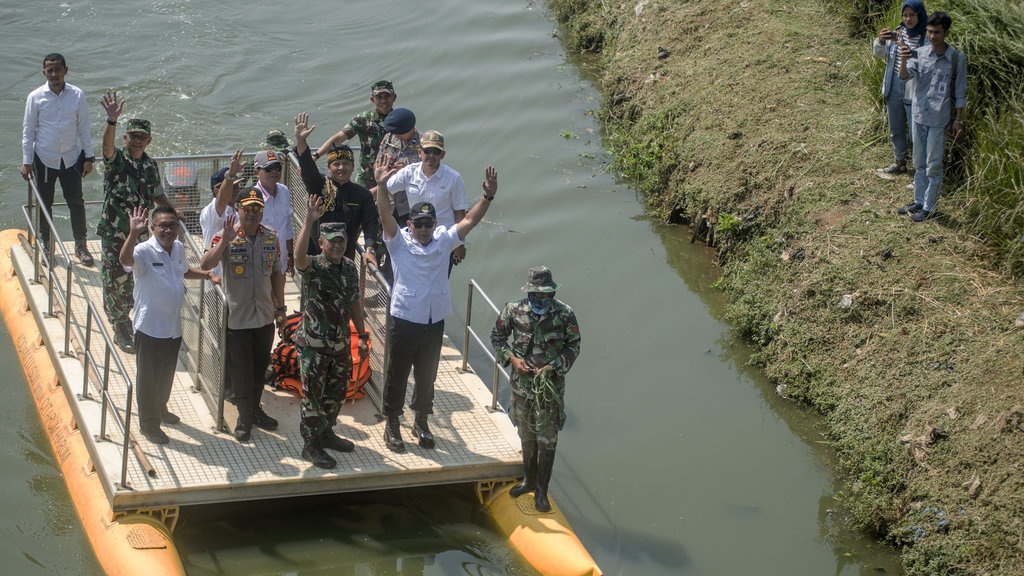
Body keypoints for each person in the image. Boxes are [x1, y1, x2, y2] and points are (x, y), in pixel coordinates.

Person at [373, 157, 498, 452]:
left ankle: (421, 421)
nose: (425, 228)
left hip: (433, 320)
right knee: (397, 373)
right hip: (404, 318)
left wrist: (488, 196)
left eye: (430, 223)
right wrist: (380, 185)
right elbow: (384, 214)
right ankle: (392, 424)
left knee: (427, 374)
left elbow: (469, 221)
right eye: (419, 223)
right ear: (410, 224)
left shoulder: (443, 239)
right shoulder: (397, 241)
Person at [119, 206, 220, 444]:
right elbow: (124, 260)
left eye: (172, 225)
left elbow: (184, 272)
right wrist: (133, 234)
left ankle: (161, 409)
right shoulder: (143, 251)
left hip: (173, 328)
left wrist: (207, 275)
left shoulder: (179, 248)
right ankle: (149, 424)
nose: (167, 230)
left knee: (166, 374)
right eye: (162, 225)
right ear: (152, 228)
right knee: (148, 378)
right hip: (149, 328)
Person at [490, 267, 581, 513]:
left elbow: (574, 345)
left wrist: (554, 366)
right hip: (521, 388)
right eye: (537, 295)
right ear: (529, 291)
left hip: (549, 390)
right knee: (526, 434)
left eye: (547, 295)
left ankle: (541, 491)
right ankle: (528, 480)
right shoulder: (513, 310)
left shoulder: (565, 314)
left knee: (547, 439)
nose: (542, 300)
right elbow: (497, 337)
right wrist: (512, 359)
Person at [200, 190, 286, 442]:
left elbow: (276, 275)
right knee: (241, 372)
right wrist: (225, 241)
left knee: (260, 368)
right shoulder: (225, 234)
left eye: (257, 209)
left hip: (264, 317)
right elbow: (205, 264)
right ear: (237, 209)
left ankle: (254, 410)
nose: (252, 214)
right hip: (237, 317)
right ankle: (244, 417)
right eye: (247, 209)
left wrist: (280, 308)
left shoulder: (271, 238)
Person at [97, 91, 178, 353]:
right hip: (115, 232)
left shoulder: (151, 165)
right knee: (115, 278)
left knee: (135, 279)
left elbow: (156, 193)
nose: (137, 141)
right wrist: (111, 121)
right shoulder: (118, 160)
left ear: (149, 140)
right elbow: (106, 148)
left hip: (141, 233)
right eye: (133, 136)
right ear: (126, 137)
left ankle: (129, 315)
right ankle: (120, 323)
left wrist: (172, 213)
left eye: (142, 137)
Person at [293, 195, 370, 469]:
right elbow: (298, 256)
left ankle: (326, 433)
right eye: (332, 241)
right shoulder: (313, 266)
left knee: (336, 394)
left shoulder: (349, 268)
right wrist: (308, 221)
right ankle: (310, 445)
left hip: (339, 345)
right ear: (322, 243)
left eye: (342, 241)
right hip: (313, 345)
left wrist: (361, 335)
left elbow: (354, 303)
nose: (337, 245)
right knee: (312, 396)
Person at [21, 53, 96, 265]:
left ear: (66, 70)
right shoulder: (35, 97)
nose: (54, 74)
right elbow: (28, 132)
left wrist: (89, 157)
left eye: (57, 69)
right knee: (45, 204)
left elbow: (84, 128)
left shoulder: (77, 95)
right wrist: (27, 162)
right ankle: (47, 245)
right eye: (50, 70)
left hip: (72, 158)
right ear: (44, 72)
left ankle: (81, 246)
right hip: (44, 158)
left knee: (76, 203)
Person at [898, 11, 967, 222]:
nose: (932, 36)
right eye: (929, 31)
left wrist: (958, 120)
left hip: (939, 119)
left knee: (933, 164)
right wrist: (902, 60)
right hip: (918, 115)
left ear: (946, 32)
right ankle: (919, 200)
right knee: (918, 162)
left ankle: (930, 208)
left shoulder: (956, 58)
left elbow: (960, 92)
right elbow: (904, 76)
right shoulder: (920, 53)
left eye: (936, 32)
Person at [294, 112, 379, 264]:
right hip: (315, 259)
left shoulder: (362, 195)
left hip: (345, 261)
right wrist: (301, 141)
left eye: (346, 163)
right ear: (329, 168)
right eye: (336, 164)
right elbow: (307, 166)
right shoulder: (319, 185)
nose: (341, 168)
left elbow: (370, 224)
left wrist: (370, 249)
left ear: (353, 167)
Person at [386, 130, 469, 270]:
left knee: (438, 284)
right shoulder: (408, 172)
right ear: (420, 152)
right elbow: (386, 189)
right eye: (427, 150)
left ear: (442, 155)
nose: (431, 155)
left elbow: (460, 214)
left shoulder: (454, 179)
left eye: (436, 151)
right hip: (415, 238)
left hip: (443, 241)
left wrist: (459, 244)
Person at [872, 0, 928, 175]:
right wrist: (880, 41)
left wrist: (908, 52)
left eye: (912, 14)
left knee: (915, 131)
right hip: (894, 83)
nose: (908, 18)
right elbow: (879, 54)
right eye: (905, 15)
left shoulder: (926, 36)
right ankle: (899, 161)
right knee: (895, 127)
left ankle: (920, 170)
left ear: (920, 15)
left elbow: (928, 63)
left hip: (914, 88)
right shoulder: (898, 32)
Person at [315, 80, 397, 188]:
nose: (383, 101)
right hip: (366, 178)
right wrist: (315, 156)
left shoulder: (400, 120)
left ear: (394, 97)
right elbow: (338, 138)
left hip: (392, 177)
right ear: (372, 99)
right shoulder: (363, 119)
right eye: (379, 97)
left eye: (387, 96)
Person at [252, 149, 295, 275]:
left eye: (277, 167)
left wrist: (290, 255)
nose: (275, 172)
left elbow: (287, 226)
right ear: (257, 172)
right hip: (260, 264)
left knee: (279, 295)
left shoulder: (285, 191)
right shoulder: (252, 198)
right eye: (269, 168)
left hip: (281, 262)